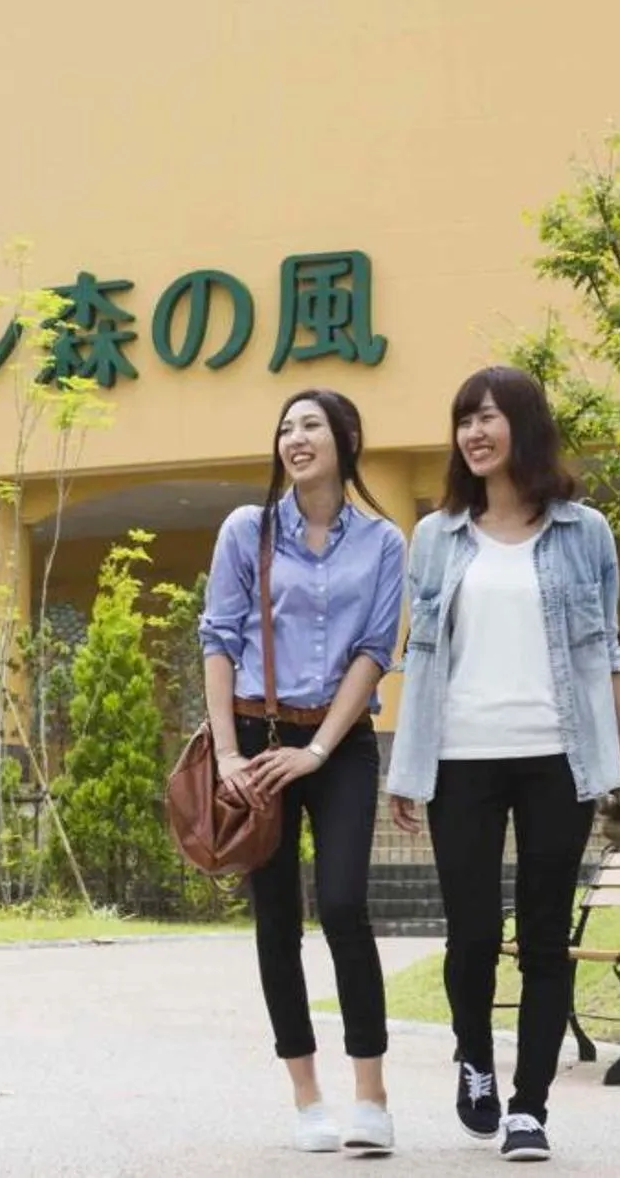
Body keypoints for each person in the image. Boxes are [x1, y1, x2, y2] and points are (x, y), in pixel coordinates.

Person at [384, 366, 620, 1163]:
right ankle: (473, 1058)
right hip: (461, 756)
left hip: (556, 757)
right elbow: (422, 658)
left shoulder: (585, 534)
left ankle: (529, 1106)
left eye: (489, 417)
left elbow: (606, 653)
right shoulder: (434, 537)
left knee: (544, 936)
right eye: (463, 419)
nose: (473, 432)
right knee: (470, 934)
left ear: (525, 427)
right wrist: (407, 767)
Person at [198, 388, 407, 1155]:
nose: (294, 438)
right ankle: (305, 1095)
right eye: (284, 427)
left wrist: (318, 749)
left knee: (347, 907)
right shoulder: (245, 531)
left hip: (339, 742)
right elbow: (218, 638)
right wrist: (227, 754)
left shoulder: (383, 542)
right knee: (276, 919)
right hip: (254, 737)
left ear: (345, 438)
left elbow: (373, 651)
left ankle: (371, 1096)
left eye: (310, 425)